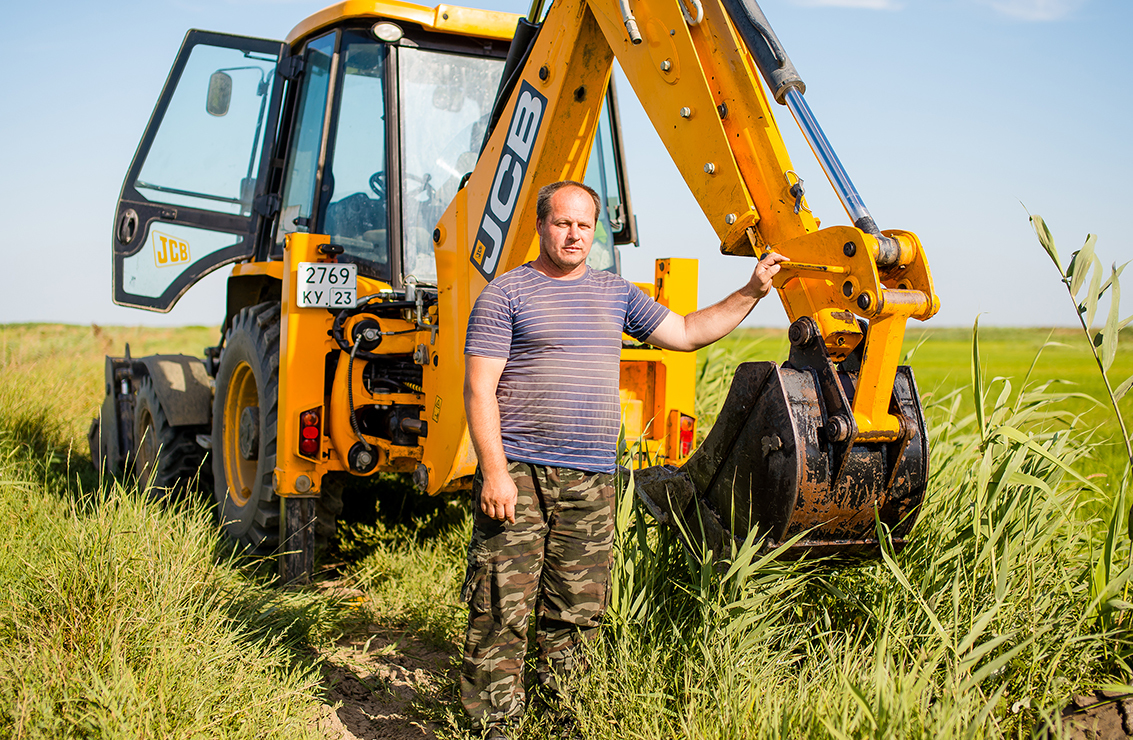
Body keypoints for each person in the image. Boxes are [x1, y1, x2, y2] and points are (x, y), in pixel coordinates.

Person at [460, 180, 787, 737]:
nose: (574, 234)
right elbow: (478, 389)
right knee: (502, 603)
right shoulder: (506, 294)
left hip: (591, 477)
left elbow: (684, 332)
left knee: (577, 605)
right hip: (520, 471)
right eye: (563, 223)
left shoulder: (616, 293)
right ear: (541, 226)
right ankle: (494, 724)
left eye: (584, 225)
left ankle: (566, 716)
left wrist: (751, 290)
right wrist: (493, 471)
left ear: (595, 231)